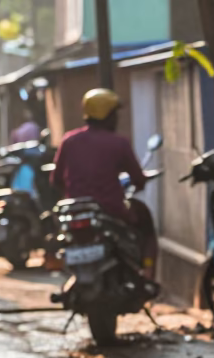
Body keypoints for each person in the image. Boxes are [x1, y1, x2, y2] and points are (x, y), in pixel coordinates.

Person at [51, 88, 155, 276]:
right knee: (144, 223)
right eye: (114, 114)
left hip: (76, 210)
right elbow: (137, 177)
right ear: (107, 115)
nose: (117, 119)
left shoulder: (69, 140)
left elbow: (56, 180)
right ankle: (145, 270)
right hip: (111, 209)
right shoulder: (118, 143)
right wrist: (140, 183)